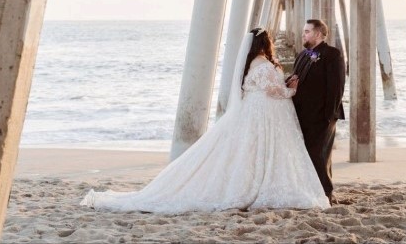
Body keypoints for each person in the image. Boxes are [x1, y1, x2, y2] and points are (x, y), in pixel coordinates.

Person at [80, 28, 330, 213]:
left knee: (251, 151)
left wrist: (283, 86)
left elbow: (260, 87)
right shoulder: (263, 64)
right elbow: (272, 91)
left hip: (255, 111)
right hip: (265, 113)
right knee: (263, 151)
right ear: (265, 43)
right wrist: (291, 90)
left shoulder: (251, 63)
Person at [286, 19, 346, 205]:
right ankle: (312, 191)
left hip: (322, 115)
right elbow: (297, 78)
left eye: (307, 31)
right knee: (307, 154)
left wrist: (329, 115)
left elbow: (337, 86)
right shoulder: (302, 54)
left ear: (319, 34)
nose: (303, 35)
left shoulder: (332, 54)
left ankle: (326, 193)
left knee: (319, 154)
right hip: (302, 114)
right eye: (304, 31)